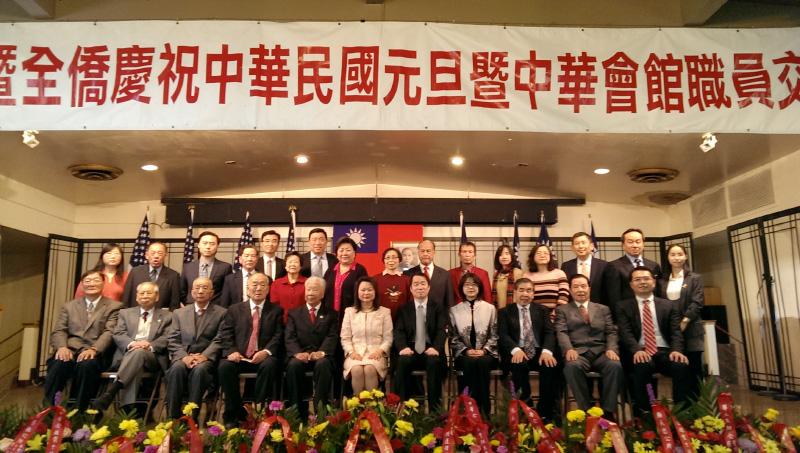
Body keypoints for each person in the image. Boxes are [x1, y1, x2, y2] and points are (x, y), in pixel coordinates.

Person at [617, 267, 691, 418]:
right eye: (637, 279)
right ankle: (646, 413)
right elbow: (625, 333)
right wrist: (636, 350)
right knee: (642, 366)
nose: (642, 282)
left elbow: (676, 332)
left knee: (681, 365)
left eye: (646, 278)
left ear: (654, 282)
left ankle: (681, 414)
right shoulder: (623, 306)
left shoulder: (668, 305)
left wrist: (676, 350)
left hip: (664, 351)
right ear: (631, 285)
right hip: (639, 351)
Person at [43, 270, 123, 410]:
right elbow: (59, 330)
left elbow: (109, 332)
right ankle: (49, 413)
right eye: (87, 281)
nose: (91, 283)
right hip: (69, 350)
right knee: (58, 364)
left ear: (103, 283)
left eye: (96, 280)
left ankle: (79, 412)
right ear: (82, 284)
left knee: (87, 365)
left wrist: (94, 349)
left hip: (95, 353)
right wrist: (62, 347)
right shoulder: (69, 306)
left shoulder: (114, 306)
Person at [94, 282, 173, 415]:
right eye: (142, 293)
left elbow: (167, 337)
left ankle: (114, 389)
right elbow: (118, 333)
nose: (145, 296)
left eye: (149, 293)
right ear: (136, 297)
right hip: (127, 355)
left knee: (140, 352)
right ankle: (128, 412)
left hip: (151, 357)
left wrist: (149, 344)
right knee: (135, 361)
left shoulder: (167, 316)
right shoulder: (125, 313)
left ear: (157, 296)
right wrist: (131, 344)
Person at [217, 273, 283, 426]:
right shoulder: (234, 309)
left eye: (262, 285)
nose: (258, 288)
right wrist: (232, 351)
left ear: (268, 289)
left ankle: (257, 411)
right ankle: (234, 412)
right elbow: (226, 333)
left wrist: (266, 352)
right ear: (247, 289)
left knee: (271, 365)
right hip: (239, 356)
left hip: (263, 356)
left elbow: (278, 335)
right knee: (224, 366)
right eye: (254, 284)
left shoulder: (276, 310)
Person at [555, 274, 623, 419]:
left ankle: (608, 411)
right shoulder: (563, 310)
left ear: (589, 289)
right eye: (576, 287)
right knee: (572, 366)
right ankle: (586, 410)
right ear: (570, 290)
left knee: (615, 366)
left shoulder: (603, 309)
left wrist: (611, 348)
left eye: (583, 286)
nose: (580, 290)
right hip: (578, 353)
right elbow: (561, 332)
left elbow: (611, 331)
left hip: (601, 352)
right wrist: (569, 349)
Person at [165, 277, 226, 420]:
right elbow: (172, 339)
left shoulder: (222, 313)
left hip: (205, 359)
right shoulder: (179, 313)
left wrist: (204, 356)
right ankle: (172, 417)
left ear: (212, 293)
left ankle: (192, 418)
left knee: (199, 371)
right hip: (183, 356)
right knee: (176, 369)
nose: (200, 291)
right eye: (197, 288)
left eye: (205, 288)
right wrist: (184, 356)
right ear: (191, 292)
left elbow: (220, 338)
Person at [498, 278, 559, 420]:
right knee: (518, 365)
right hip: (517, 350)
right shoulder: (504, 312)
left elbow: (549, 332)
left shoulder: (542, 310)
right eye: (521, 290)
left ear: (533, 294)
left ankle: (545, 410)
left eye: (529, 290)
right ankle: (526, 407)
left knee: (550, 365)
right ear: (514, 292)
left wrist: (547, 351)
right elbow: (502, 334)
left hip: (538, 350)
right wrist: (515, 349)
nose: (525, 294)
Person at [284, 277, 339, 419]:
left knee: (324, 364)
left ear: (322, 294)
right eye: (308, 289)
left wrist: (321, 352)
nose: (310, 293)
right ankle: (296, 411)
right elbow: (289, 336)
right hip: (300, 355)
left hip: (321, 356)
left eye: (315, 289)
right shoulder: (294, 313)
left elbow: (332, 336)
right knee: (293, 365)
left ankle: (320, 410)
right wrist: (297, 353)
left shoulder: (331, 314)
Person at [393, 273, 448, 412]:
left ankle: (435, 411)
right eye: (415, 284)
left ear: (429, 287)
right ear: (410, 289)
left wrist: (436, 348)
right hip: (410, 349)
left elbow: (442, 330)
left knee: (434, 362)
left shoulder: (438, 307)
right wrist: (403, 347)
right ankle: (401, 409)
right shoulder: (403, 309)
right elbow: (398, 331)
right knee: (402, 361)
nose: (419, 287)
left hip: (431, 348)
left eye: (423, 284)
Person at [658, 244, 705, 399]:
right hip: (672, 331)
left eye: (680, 254)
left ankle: (697, 408)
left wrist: (685, 321)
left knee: (694, 369)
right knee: (679, 369)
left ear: (685, 256)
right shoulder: (662, 280)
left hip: (691, 329)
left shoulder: (694, 278)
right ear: (668, 258)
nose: (676, 258)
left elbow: (697, 301)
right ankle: (680, 408)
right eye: (673, 254)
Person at [449, 273, 498, 416]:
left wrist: (484, 351)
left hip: (486, 354)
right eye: (467, 285)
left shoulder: (490, 309)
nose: (471, 287)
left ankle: (484, 412)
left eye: (474, 284)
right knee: (468, 363)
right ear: (461, 288)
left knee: (482, 363)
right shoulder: (454, 310)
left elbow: (494, 334)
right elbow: (453, 336)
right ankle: (465, 412)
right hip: (464, 355)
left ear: (480, 287)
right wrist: (465, 351)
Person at [341, 277, 393, 393]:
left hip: (376, 354)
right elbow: (345, 337)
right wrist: (351, 352)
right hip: (355, 354)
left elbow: (388, 338)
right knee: (356, 369)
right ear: (357, 292)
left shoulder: (384, 312)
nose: (366, 293)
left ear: (375, 292)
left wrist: (380, 351)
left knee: (370, 368)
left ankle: (372, 408)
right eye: (363, 290)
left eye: (369, 290)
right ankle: (357, 407)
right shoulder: (349, 312)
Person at [561, 232, 619, 312]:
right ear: (572, 248)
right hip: (573, 312)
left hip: (599, 311)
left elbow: (611, 293)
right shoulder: (566, 266)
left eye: (583, 243)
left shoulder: (605, 265)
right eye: (577, 243)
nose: (580, 246)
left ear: (592, 246)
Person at [609, 228, 663, 304]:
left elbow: (659, 290)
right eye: (630, 242)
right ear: (623, 245)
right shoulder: (614, 266)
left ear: (643, 244)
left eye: (638, 242)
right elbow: (614, 295)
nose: (635, 245)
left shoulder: (653, 265)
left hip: (652, 307)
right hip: (627, 310)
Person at [123, 242, 181, 310]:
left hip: (161, 317)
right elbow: (126, 297)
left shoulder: (173, 275)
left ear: (165, 255)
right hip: (136, 315)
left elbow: (175, 303)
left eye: (160, 253)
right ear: (146, 255)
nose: (156, 256)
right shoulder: (135, 272)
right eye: (153, 253)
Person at [181, 231, 233, 306]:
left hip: (215, 309)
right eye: (205, 243)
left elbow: (226, 292)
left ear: (217, 246)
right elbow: (183, 291)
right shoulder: (188, 267)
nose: (208, 247)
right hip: (191, 308)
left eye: (212, 244)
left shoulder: (225, 267)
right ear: (198, 245)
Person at [323, 237, 368, 322]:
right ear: (336, 253)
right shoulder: (331, 270)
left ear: (354, 253)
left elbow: (364, 294)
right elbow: (324, 292)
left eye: (348, 250)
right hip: (329, 316)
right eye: (341, 250)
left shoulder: (360, 270)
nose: (344, 253)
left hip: (352, 316)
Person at [404, 240, 455, 309]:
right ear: (418, 252)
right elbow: (405, 300)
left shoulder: (445, 275)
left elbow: (450, 302)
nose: (425, 254)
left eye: (428, 251)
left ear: (434, 252)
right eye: (422, 251)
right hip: (414, 316)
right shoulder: (408, 274)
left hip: (439, 317)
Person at [523, 244, 570, 317]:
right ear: (533, 257)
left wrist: (555, 315)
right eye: (538, 253)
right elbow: (525, 298)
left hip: (557, 317)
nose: (542, 255)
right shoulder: (526, 276)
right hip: (534, 317)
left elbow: (564, 297)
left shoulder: (559, 274)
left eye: (545, 253)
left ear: (550, 256)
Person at [372, 247, 411, 320]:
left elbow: (411, 302)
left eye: (394, 257)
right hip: (380, 320)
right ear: (383, 260)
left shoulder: (407, 280)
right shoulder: (375, 279)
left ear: (399, 260)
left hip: (402, 321)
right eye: (387, 258)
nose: (391, 260)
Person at [270, 251, 307, 323]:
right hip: (281, 323)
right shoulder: (276, 284)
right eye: (290, 262)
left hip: (302, 322)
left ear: (301, 266)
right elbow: (274, 306)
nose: (292, 264)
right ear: (285, 266)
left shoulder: (307, 283)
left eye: (296, 262)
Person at [491, 244, 524, 309]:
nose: (504, 257)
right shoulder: (496, 274)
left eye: (507, 254)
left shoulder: (518, 272)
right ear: (498, 258)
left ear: (511, 256)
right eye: (501, 254)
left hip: (514, 311)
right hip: (499, 311)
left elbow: (521, 294)